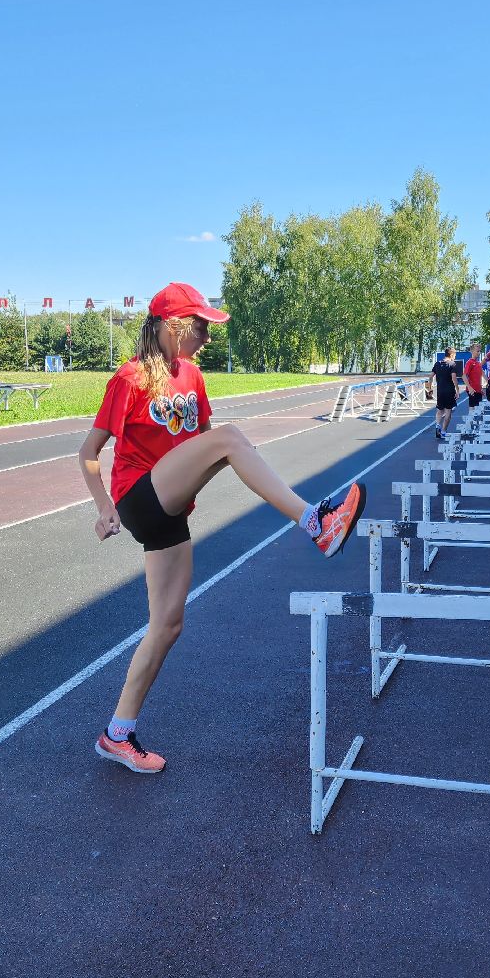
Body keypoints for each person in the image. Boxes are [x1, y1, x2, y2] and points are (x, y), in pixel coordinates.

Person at [78, 282, 366, 774]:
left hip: (171, 508)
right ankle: (315, 522)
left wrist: (231, 461)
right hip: (139, 496)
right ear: (173, 327)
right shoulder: (128, 379)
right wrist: (105, 507)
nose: (208, 338)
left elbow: (206, 443)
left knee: (167, 625)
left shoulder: (191, 376)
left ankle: (116, 734)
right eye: (202, 328)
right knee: (231, 438)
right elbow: (88, 453)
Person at [430, 346, 462, 439]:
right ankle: (443, 431)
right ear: (451, 354)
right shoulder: (452, 364)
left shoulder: (437, 364)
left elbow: (431, 376)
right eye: (455, 355)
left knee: (439, 410)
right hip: (449, 391)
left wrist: (430, 388)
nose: (455, 357)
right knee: (448, 411)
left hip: (440, 391)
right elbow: (454, 378)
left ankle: (437, 425)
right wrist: (457, 390)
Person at [463, 342, 485, 408]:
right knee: (473, 409)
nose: (479, 352)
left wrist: (480, 388)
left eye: (480, 351)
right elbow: (464, 376)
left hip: (478, 390)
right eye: (477, 351)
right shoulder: (470, 362)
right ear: (472, 351)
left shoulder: (478, 363)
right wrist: (469, 387)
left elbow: (480, 376)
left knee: (478, 409)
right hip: (472, 390)